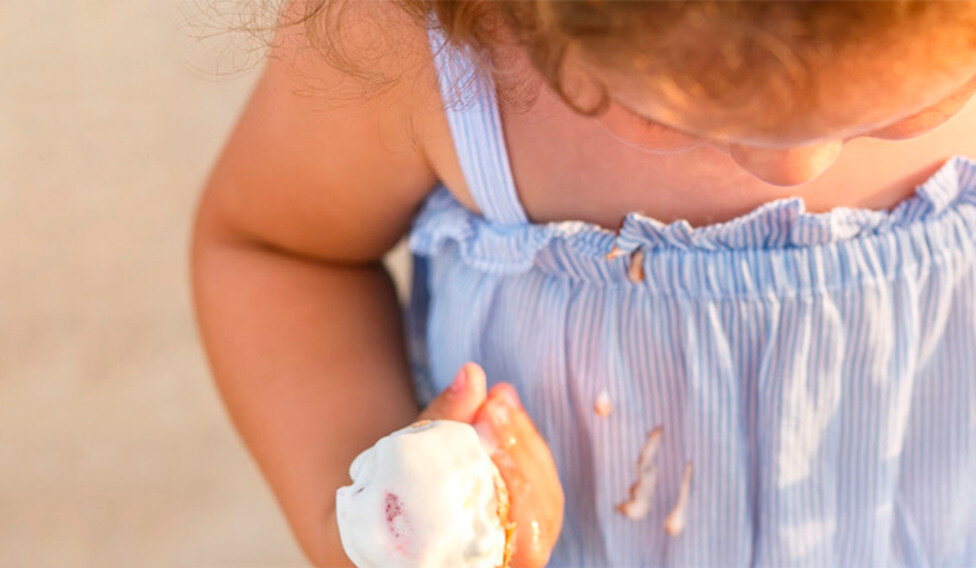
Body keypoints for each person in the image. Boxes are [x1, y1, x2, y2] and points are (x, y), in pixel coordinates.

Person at [191, 1, 976, 565]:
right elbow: (276, 249)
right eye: (684, 112)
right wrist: (373, 523)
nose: (792, 167)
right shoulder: (421, 39)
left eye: (905, 106)